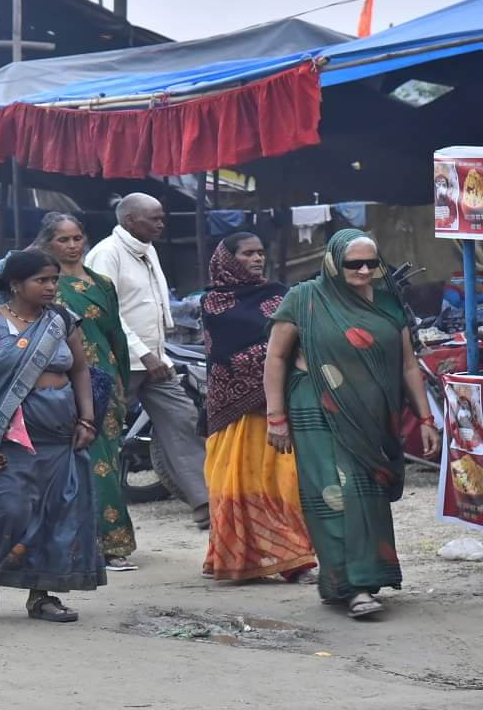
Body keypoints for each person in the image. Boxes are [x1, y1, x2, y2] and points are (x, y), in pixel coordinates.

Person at [265, 230, 440, 618]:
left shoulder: (390, 303)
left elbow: (409, 363)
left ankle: (356, 580)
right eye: (353, 264)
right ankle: (354, 588)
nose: (363, 270)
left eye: (371, 263)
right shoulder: (305, 299)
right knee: (335, 495)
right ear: (332, 263)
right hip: (317, 406)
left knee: (367, 495)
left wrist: (426, 417)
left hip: (373, 416)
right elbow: (275, 358)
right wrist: (275, 416)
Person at [0, 250, 104, 622]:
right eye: (42, 280)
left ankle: (43, 594)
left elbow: (81, 371)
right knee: (7, 510)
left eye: (54, 280)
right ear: (15, 285)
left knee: (56, 515)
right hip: (8, 440)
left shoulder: (62, 321)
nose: (51, 287)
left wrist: (87, 419)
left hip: (59, 437)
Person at [86, 192, 210, 528]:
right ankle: (97, 515)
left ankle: (206, 504)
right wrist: (143, 352)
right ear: (129, 220)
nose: (161, 224)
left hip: (155, 358)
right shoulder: (106, 254)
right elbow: (108, 313)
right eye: (153, 218)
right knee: (103, 435)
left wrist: (160, 350)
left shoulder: (147, 249)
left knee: (184, 420)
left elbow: (154, 305)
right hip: (122, 360)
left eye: (161, 217)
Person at [201, 232, 316, 583]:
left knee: (282, 481)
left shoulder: (280, 294)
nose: (257, 259)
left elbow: (296, 339)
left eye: (260, 252)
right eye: (248, 253)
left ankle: (292, 559)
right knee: (233, 483)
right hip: (233, 411)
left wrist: (286, 361)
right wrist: (276, 358)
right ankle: (236, 557)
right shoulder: (213, 302)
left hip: (278, 406)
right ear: (228, 259)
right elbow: (226, 353)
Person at [46, 214, 138, 571]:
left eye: (77, 238)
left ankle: (112, 543)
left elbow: (116, 335)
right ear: (49, 243)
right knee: (66, 466)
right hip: (60, 385)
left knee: (105, 464)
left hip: (104, 383)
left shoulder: (102, 283)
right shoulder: (46, 285)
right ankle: (74, 543)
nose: (72, 246)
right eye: (63, 240)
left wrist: (121, 382)